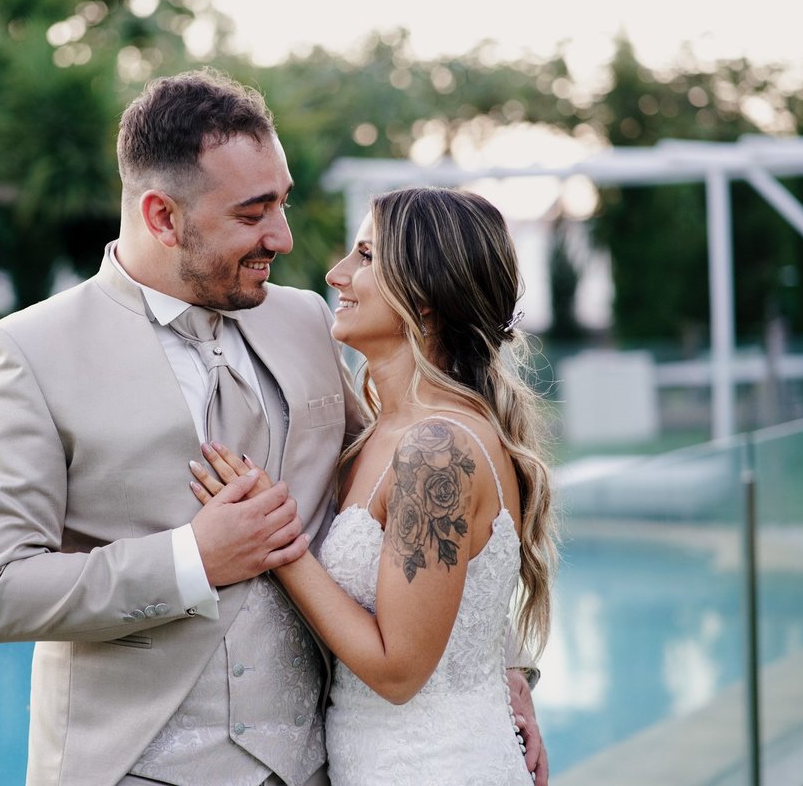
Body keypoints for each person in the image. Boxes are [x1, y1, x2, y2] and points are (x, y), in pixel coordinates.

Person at [0, 67, 546, 786]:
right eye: (252, 213)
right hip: (134, 769)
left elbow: (423, 509)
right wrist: (192, 560)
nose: (285, 237)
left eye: (282, 204)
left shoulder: (304, 322)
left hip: (323, 765)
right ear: (163, 217)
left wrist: (493, 668)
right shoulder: (27, 353)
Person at [190, 186, 558, 785]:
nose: (337, 274)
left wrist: (276, 540)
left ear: (427, 295)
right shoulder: (379, 434)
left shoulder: (438, 451)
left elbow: (397, 670)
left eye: (365, 256)